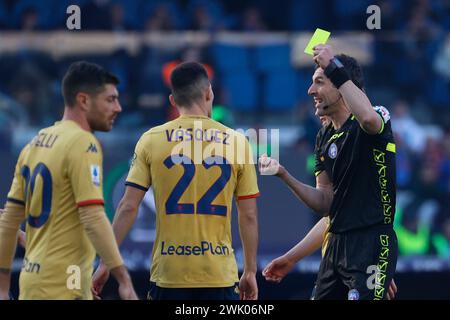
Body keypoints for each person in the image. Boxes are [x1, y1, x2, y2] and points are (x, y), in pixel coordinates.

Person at [92, 62, 260, 300]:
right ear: (209, 93)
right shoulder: (237, 142)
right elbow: (249, 215)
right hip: (218, 273)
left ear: (172, 100)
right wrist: (250, 270)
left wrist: (105, 264)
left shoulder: (151, 140)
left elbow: (128, 206)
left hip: (169, 273)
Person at [259, 45, 398, 300]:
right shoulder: (323, 136)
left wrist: (333, 64)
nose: (311, 91)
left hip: (372, 243)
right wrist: (284, 175)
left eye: (319, 83)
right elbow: (326, 206)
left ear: (341, 86)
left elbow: (367, 119)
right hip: (335, 248)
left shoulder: (376, 116)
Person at [0, 61, 137, 300]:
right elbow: (93, 216)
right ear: (84, 100)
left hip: (35, 283)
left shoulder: (35, 143)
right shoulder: (83, 143)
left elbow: (9, 221)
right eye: (110, 99)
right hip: (63, 286)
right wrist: (123, 279)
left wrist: (2, 288)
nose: (118, 107)